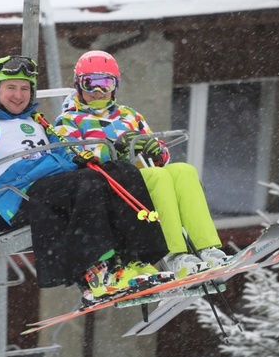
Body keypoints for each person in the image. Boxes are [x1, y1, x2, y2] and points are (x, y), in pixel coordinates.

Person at [0, 55, 171, 300]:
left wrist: (84, 158)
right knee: (88, 183)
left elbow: (65, 151)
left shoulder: (37, 122)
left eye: (24, 88)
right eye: (10, 87)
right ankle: (96, 269)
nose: (18, 95)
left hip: (59, 187)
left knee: (120, 172)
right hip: (23, 195)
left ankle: (139, 257)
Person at [54, 50, 229, 279]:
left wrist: (157, 151)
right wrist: (114, 149)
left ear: (115, 86)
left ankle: (207, 248)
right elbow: (73, 156)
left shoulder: (129, 115)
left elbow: (159, 151)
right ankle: (175, 255)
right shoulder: (68, 120)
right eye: (90, 83)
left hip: (144, 173)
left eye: (106, 83)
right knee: (158, 177)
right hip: (113, 184)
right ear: (79, 84)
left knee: (184, 170)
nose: (98, 91)